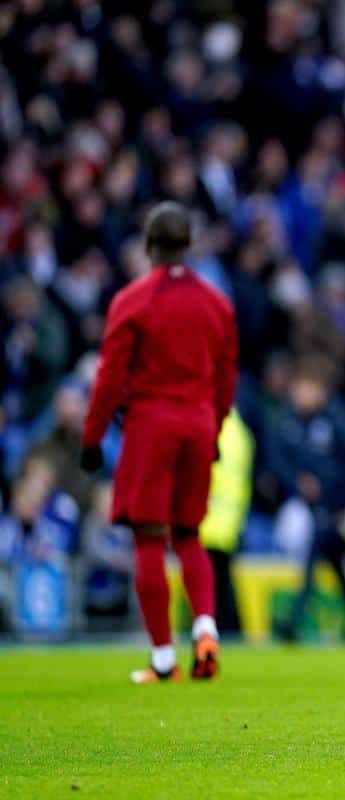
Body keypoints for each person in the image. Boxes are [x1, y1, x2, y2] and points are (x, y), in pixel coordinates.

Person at [80, 201, 238, 683]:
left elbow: (109, 379)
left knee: (150, 539)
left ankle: (164, 659)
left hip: (151, 426)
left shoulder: (132, 300)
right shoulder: (216, 303)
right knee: (189, 535)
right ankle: (206, 628)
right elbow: (226, 379)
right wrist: (214, 429)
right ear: (189, 245)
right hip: (197, 424)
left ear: (148, 246)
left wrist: (92, 437)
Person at [268, 357, 345, 642]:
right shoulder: (289, 422)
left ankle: (294, 620)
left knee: (319, 555)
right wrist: (297, 481)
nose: (300, 395)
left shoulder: (337, 421)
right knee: (330, 559)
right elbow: (277, 460)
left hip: (339, 508)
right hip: (315, 509)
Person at [199, 406, 255, 636]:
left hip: (210, 518)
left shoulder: (214, 425)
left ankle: (228, 633)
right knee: (220, 583)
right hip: (228, 518)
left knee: (213, 585)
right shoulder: (238, 429)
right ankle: (231, 633)